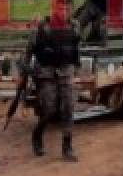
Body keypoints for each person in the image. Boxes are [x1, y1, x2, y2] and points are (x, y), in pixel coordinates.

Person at [21, 15, 82, 162]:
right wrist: (23, 74)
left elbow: (75, 48)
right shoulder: (41, 28)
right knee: (49, 109)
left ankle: (67, 147)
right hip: (46, 73)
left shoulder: (74, 26)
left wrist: (77, 69)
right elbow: (29, 51)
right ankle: (37, 134)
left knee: (68, 107)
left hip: (65, 71)